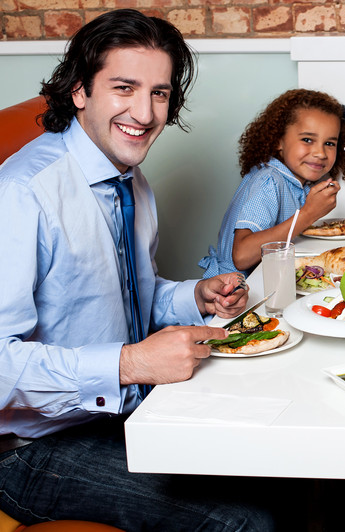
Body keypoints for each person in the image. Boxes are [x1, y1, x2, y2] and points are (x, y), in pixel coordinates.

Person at [0, 9, 288, 530]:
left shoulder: (128, 178)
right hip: (29, 450)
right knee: (244, 520)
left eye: (159, 92)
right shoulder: (22, 194)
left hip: (126, 412)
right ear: (80, 91)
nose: (145, 111)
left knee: (279, 458)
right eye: (124, 87)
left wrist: (194, 296)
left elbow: (126, 296)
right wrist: (130, 364)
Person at [199, 89, 345, 278]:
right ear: (278, 141)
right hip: (234, 295)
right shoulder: (269, 182)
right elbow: (242, 255)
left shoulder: (299, 184)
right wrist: (309, 213)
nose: (320, 153)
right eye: (307, 140)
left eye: (330, 143)